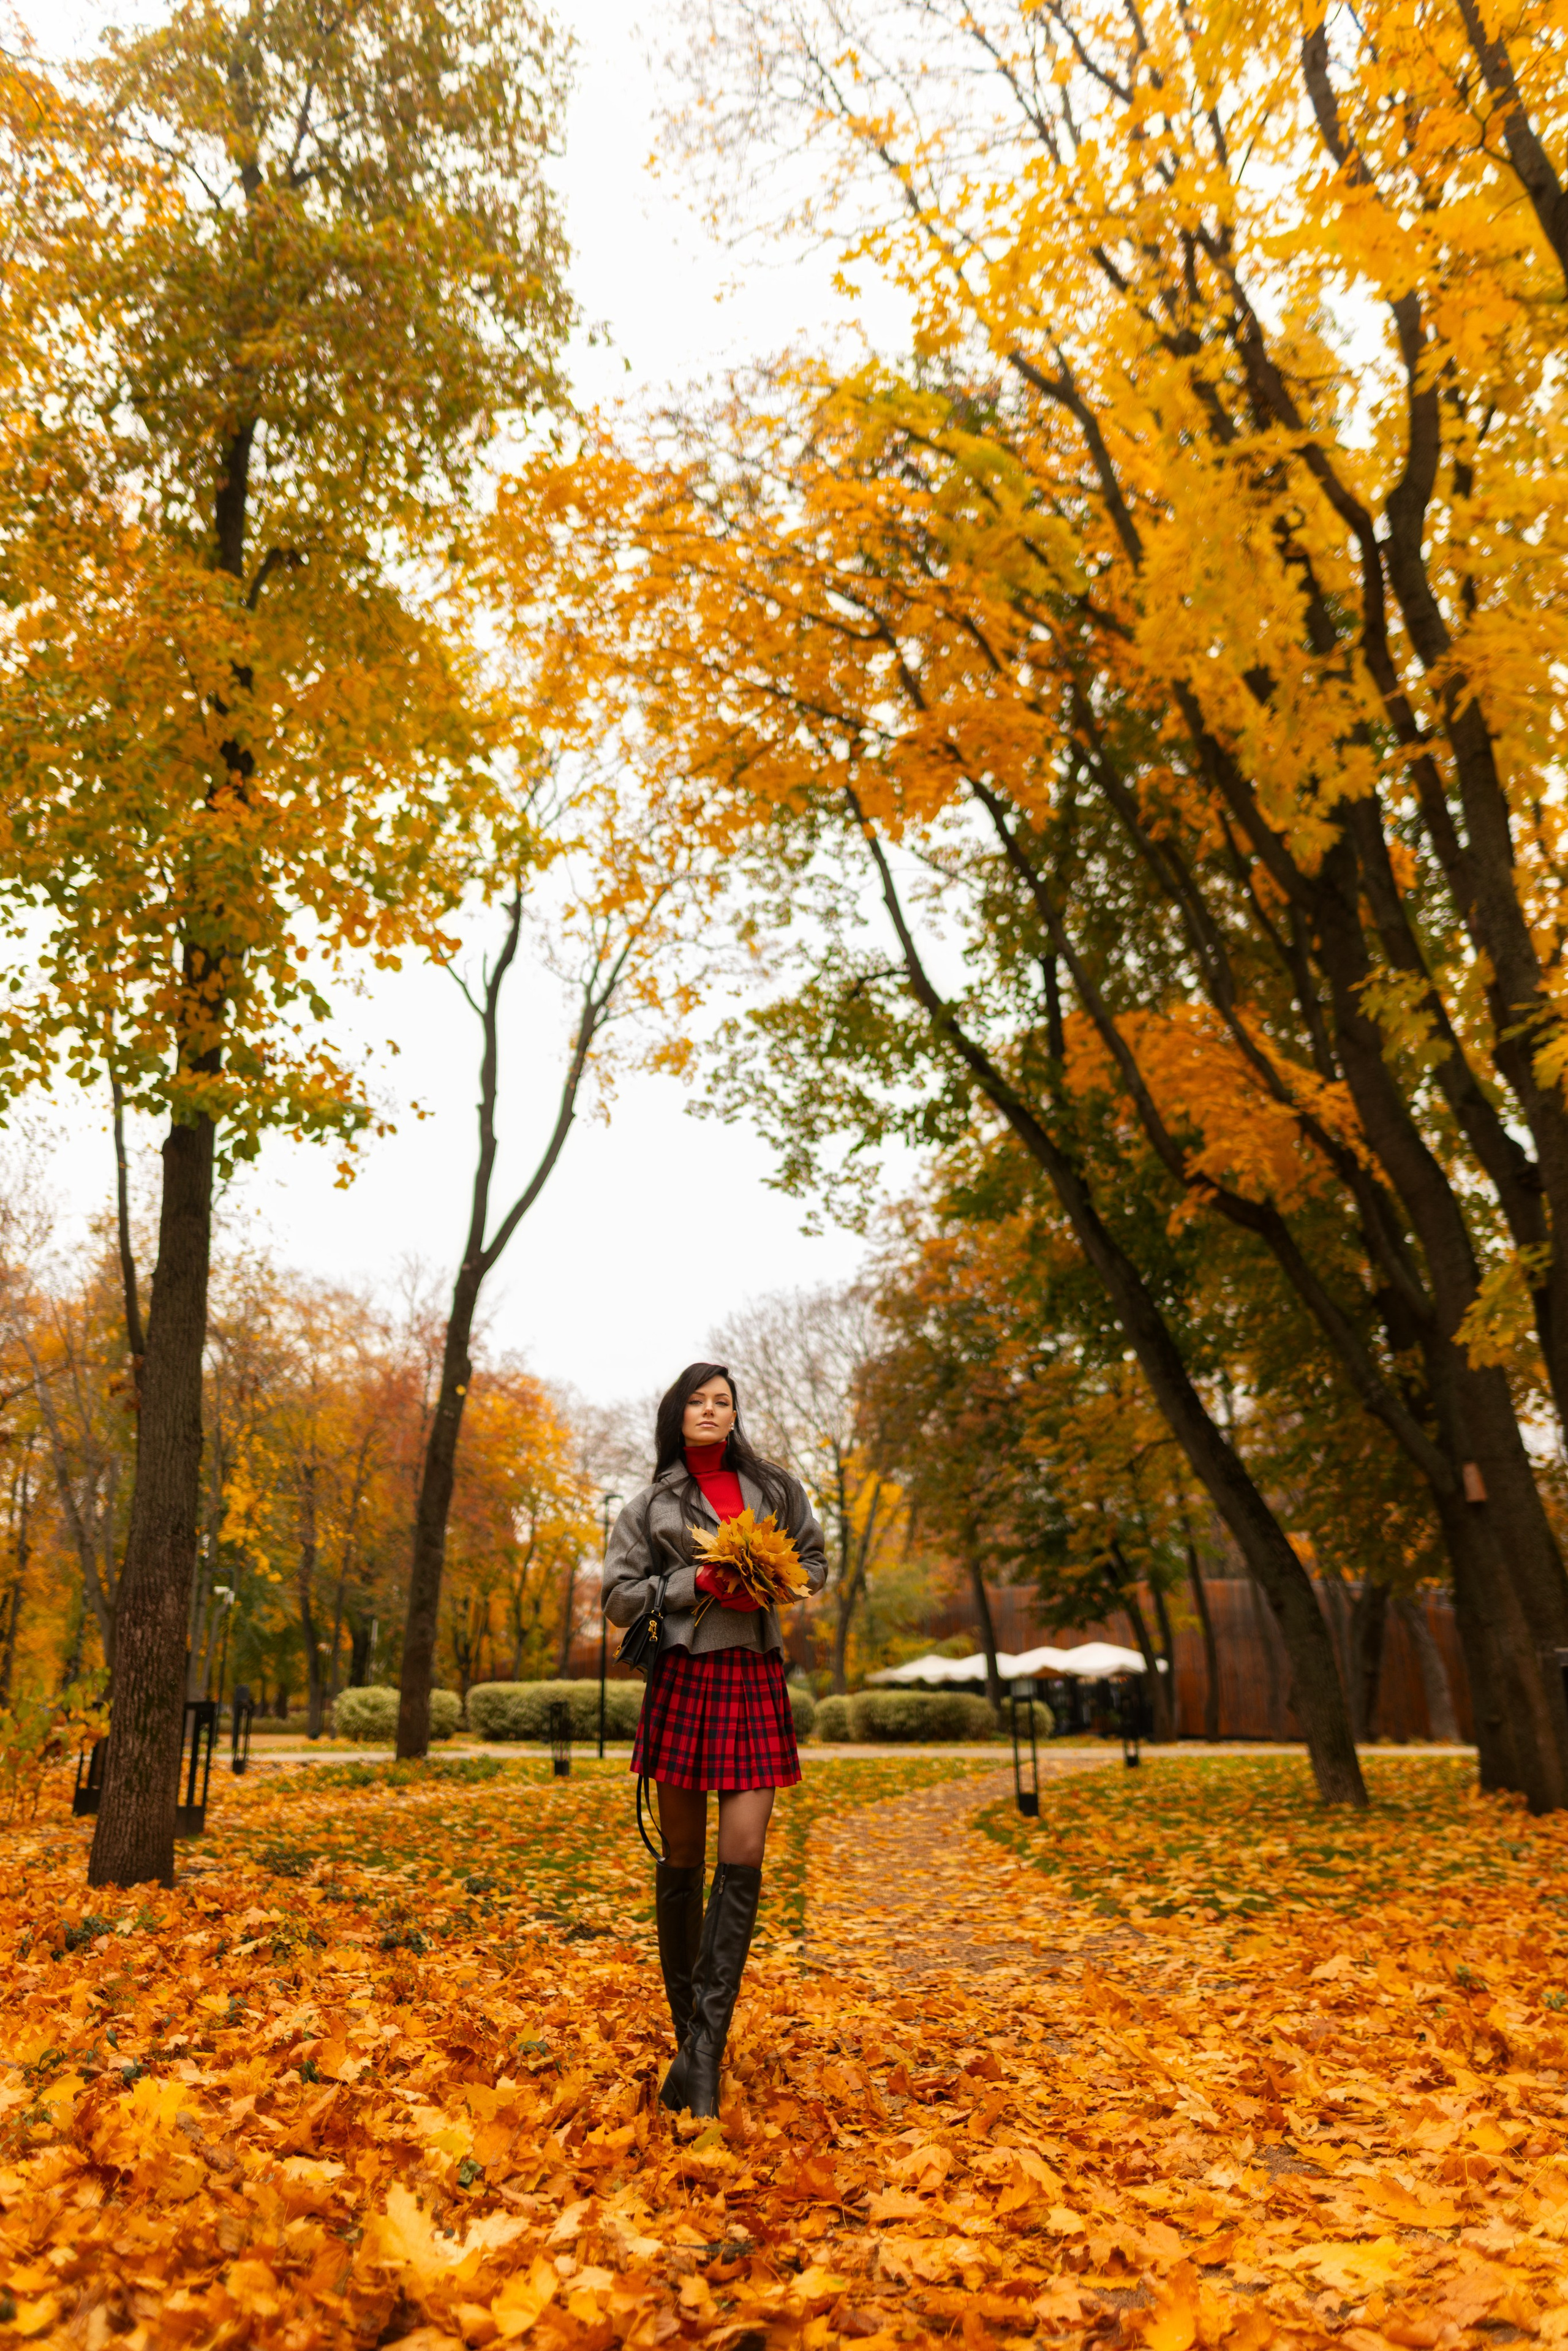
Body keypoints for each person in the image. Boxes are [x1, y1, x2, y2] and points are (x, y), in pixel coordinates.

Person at [602, 1360, 826, 2118]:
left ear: (735, 1415)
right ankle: (691, 2049)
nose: (709, 1409)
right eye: (696, 1400)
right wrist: (692, 1583)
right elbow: (617, 1598)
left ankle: (702, 2054)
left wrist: (778, 1580)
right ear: (676, 1413)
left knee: (744, 1856)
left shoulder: (776, 1487)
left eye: (721, 1400)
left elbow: (816, 1560)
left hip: (754, 1680)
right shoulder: (648, 1504)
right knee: (683, 1860)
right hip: (684, 1682)